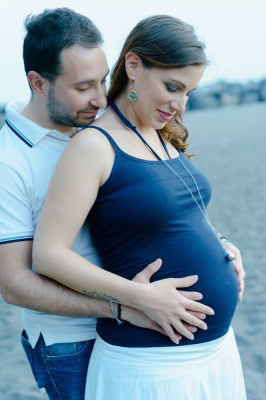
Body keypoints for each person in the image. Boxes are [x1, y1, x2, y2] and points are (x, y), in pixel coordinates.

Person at [0, 8, 218, 400]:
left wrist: (218, 243)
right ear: (38, 83)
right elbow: (14, 284)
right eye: (83, 87)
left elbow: (159, 205)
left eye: (102, 80)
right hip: (72, 344)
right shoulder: (8, 163)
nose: (100, 97)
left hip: (137, 327)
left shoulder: (102, 126)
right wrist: (122, 306)